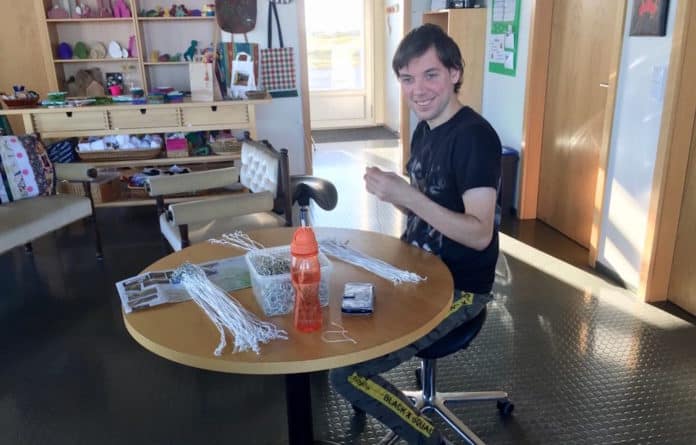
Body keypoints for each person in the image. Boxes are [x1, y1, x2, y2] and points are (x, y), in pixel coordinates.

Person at [329, 23, 502, 445]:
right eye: (407, 79)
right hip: (416, 272)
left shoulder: (475, 138)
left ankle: (428, 438)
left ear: (455, 73)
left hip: (460, 287)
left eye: (431, 75)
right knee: (338, 314)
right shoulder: (425, 129)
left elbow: (479, 234)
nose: (417, 90)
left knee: (345, 374)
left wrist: (408, 195)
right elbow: (427, 208)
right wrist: (395, 195)